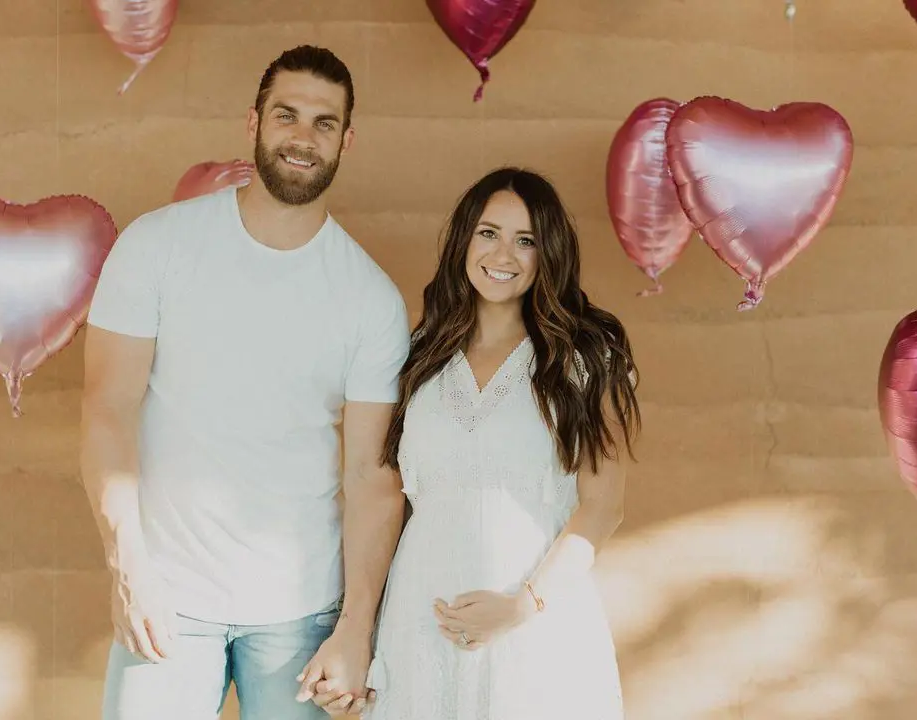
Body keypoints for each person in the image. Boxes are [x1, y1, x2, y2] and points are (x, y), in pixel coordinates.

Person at [79, 45, 409, 720]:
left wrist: (355, 628)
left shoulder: (370, 300)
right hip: (166, 599)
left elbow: (371, 478)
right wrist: (128, 568)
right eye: (287, 115)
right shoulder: (157, 245)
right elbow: (107, 409)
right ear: (253, 121)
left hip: (301, 614)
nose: (302, 136)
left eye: (324, 122)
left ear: (346, 140)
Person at [357, 167, 640, 719]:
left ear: (547, 253)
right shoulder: (416, 357)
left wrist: (521, 607)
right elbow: (385, 498)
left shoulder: (584, 358)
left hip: (534, 623)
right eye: (488, 233)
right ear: (464, 239)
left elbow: (604, 507)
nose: (503, 254)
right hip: (421, 619)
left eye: (525, 239)